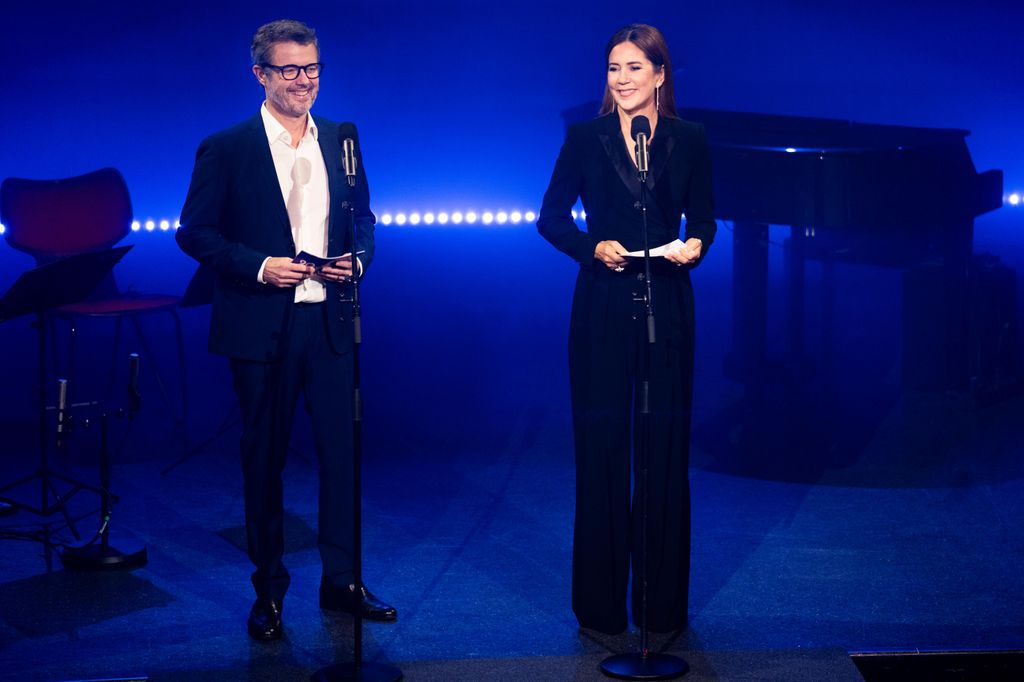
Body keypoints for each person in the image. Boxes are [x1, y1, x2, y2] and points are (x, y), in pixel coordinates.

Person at [176, 19, 396, 641]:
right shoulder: (227, 147)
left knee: (341, 458)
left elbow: (363, 218)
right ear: (261, 75)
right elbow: (194, 232)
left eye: (313, 69)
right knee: (264, 460)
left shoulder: (343, 139)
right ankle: (269, 592)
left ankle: (342, 581)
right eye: (291, 70)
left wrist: (361, 258)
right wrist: (260, 265)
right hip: (261, 326)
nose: (305, 82)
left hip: (330, 319)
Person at [537, 23, 716, 635]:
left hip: (666, 304)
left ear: (660, 75)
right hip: (603, 305)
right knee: (604, 452)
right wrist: (593, 247)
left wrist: (696, 244)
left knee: (663, 455)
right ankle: (600, 608)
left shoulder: (688, 138)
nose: (622, 79)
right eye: (614, 68)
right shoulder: (584, 138)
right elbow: (551, 219)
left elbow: (707, 220)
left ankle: (661, 606)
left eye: (635, 68)